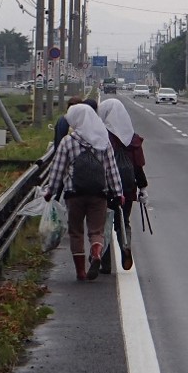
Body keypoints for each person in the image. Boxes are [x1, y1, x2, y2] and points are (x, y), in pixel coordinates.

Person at [43, 103, 123, 281]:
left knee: (76, 231)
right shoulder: (103, 141)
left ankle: (80, 271)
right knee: (97, 230)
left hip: (74, 194)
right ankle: (96, 251)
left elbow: (57, 170)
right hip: (99, 193)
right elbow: (112, 169)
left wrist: (51, 191)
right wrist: (118, 193)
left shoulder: (68, 142)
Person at [97, 99, 148, 271]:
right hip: (127, 188)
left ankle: (103, 262)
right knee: (123, 221)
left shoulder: (101, 136)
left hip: (105, 186)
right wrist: (143, 189)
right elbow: (138, 166)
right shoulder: (132, 138)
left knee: (103, 222)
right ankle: (125, 246)